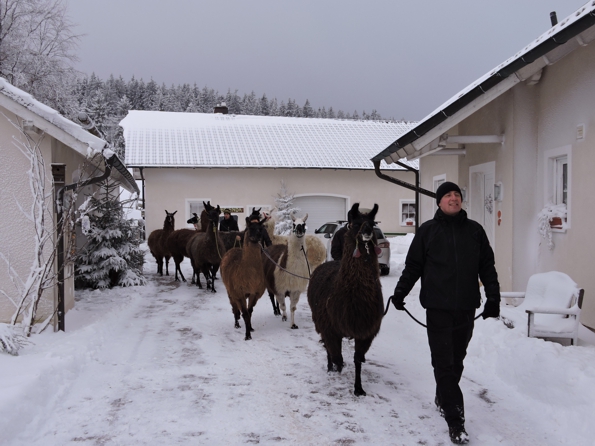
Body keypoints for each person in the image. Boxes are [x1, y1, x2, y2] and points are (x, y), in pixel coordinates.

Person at [390, 181, 500, 445]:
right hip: (438, 309)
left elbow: (487, 266)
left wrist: (493, 297)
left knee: (457, 360)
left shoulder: (475, 231)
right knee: (444, 364)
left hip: (466, 307)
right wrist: (400, 292)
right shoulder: (428, 231)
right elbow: (413, 266)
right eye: (448, 195)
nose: (454, 198)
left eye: (457, 195)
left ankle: (444, 395)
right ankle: (456, 421)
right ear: (439, 202)